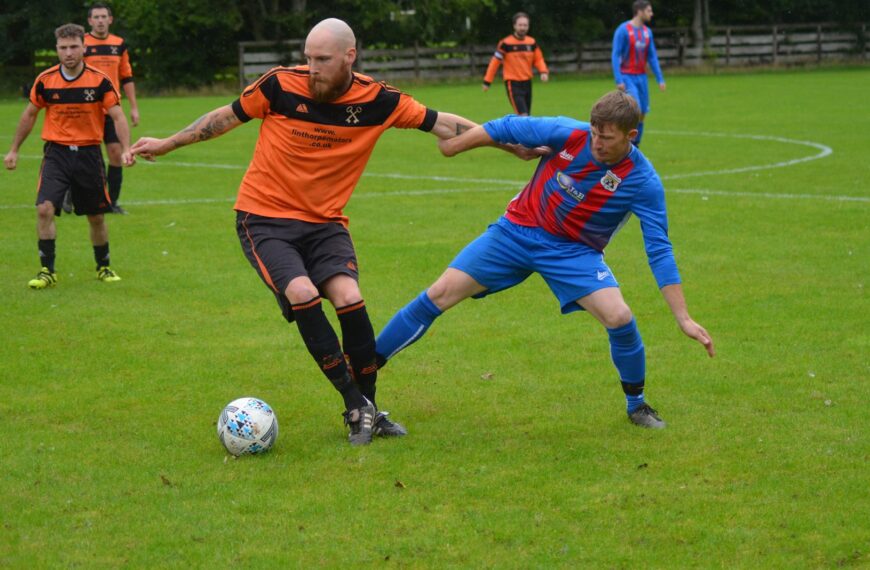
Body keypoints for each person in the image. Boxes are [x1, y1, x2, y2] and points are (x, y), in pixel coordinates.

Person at [130, 19, 534, 446]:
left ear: (349, 57)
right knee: (303, 293)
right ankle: (354, 403)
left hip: (325, 224)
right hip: (264, 219)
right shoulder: (280, 86)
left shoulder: (378, 100)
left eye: (322, 59)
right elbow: (223, 118)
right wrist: (167, 143)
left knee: (349, 297)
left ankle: (369, 410)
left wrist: (509, 143)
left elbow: (443, 124)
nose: (311, 67)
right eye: (308, 57)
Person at [375, 90, 714, 430]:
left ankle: (637, 405)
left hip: (573, 253)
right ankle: (362, 369)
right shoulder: (569, 133)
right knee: (439, 294)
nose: (597, 143)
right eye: (595, 133)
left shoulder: (643, 181)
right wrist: (458, 145)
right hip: (515, 232)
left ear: (631, 136)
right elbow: (506, 126)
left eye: (607, 138)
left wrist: (682, 317)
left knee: (620, 316)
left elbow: (659, 248)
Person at [4, 23, 134, 289]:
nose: (69, 53)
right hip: (56, 153)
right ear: (57, 50)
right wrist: (14, 149)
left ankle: (104, 266)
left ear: (83, 47)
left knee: (96, 216)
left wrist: (126, 148)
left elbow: (118, 116)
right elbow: (30, 115)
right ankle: (47, 270)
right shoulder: (45, 80)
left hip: (89, 154)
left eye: (74, 47)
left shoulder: (99, 80)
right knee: (44, 209)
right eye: (63, 48)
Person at [76, 2, 140, 214]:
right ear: (90, 21)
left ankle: (111, 203)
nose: (101, 20)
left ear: (110, 20)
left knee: (115, 153)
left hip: (112, 109)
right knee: (84, 157)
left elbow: (127, 76)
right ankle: (70, 192)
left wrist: (133, 107)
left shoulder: (119, 44)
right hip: (87, 110)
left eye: (104, 16)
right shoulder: (81, 43)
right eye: (97, 17)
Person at [611, 0, 666, 147]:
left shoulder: (647, 33)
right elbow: (616, 55)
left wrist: (660, 78)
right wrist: (619, 79)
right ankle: (626, 144)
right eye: (649, 11)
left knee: (642, 113)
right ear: (639, 11)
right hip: (627, 76)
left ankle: (635, 146)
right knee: (636, 108)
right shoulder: (623, 30)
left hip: (642, 78)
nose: (651, 14)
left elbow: (652, 57)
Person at [482, 12, 549, 116]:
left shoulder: (531, 42)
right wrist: (487, 81)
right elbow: (495, 62)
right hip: (513, 83)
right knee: (523, 115)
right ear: (514, 26)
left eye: (525, 25)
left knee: (526, 116)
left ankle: (517, 131)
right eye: (520, 25)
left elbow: (538, 59)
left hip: (527, 82)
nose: (523, 28)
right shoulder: (506, 44)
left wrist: (543, 71)